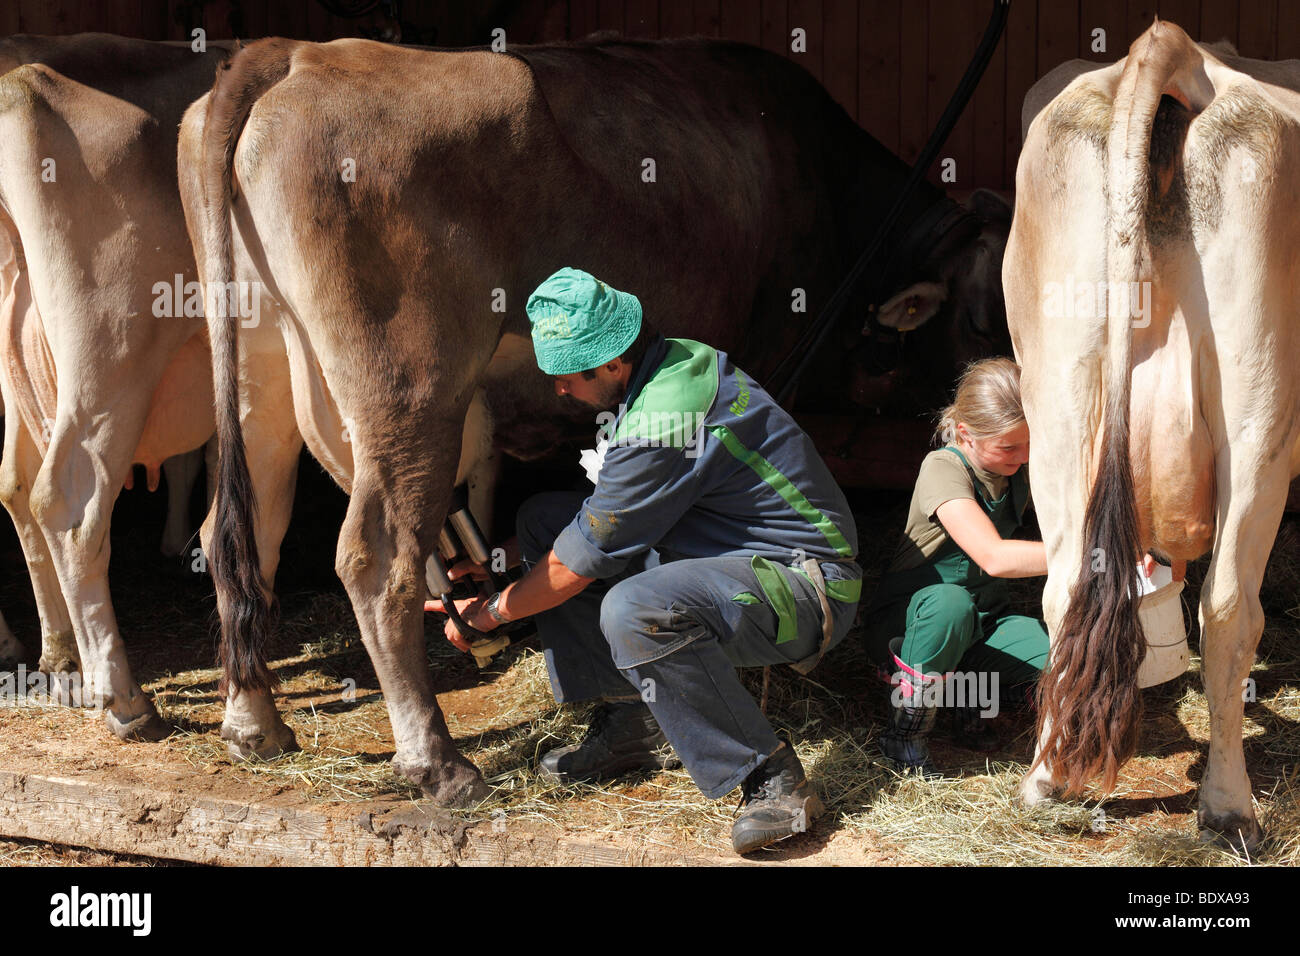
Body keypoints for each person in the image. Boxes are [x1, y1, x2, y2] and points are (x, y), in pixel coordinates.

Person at [429, 267, 861, 855]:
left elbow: (585, 557)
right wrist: (502, 557)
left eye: (566, 376)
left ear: (610, 363)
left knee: (634, 609)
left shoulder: (665, 417)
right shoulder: (673, 361)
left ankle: (773, 780)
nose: (559, 391)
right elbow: (605, 519)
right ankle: (629, 722)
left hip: (805, 586)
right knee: (540, 522)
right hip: (727, 555)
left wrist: (492, 614)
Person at [863, 357, 1181, 775]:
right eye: (1009, 447)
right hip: (914, 624)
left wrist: (1142, 539)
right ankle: (904, 734)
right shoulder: (942, 468)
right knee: (950, 605)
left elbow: (1089, 502)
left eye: (1029, 443)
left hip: (984, 620)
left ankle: (968, 698)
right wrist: (1097, 555)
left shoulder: (1014, 466)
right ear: (965, 434)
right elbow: (994, 557)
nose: (1024, 455)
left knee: (1064, 664)